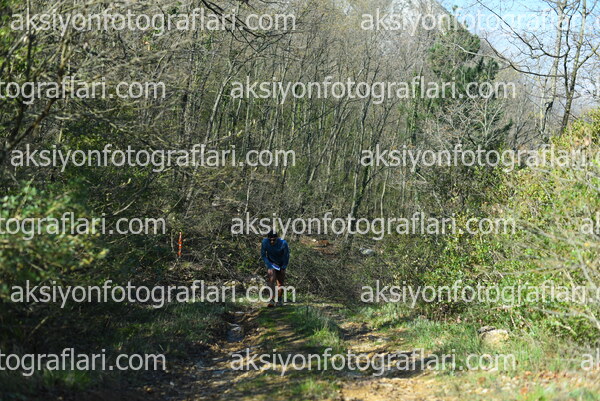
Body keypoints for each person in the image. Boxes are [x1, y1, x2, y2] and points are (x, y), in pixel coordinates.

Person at [261, 231, 289, 307]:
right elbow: (263, 255)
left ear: (277, 238)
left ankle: (279, 299)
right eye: (270, 240)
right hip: (271, 263)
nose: (272, 242)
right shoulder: (265, 242)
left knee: (280, 282)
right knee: (271, 280)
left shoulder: (283, 243)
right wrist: (269, 265)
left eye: (274, 240)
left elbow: (286, 256)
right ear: (268, 238)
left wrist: (283, 266)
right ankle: (272, 299)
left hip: (280, 263)